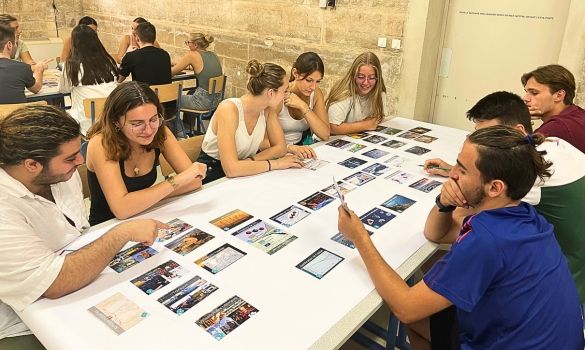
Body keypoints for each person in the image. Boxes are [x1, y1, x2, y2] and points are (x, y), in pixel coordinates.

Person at [338, 125, 584, 349]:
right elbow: (436, 233)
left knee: (415, 317)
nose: (452, 173)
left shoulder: (488, 240)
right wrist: (444, 203)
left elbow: (405, 307)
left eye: (462, 170)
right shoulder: (522, 213)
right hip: (545, 338)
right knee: (430, 317)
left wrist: (359, 237)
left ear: (495, 187)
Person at [0, 105, 164, 349]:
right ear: (32, 164)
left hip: (79, 286)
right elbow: (53, 283)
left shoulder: (58, 175)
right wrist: (122, 232)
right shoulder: (5, 205)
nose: (81, 161)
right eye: (69, 158)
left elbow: (76, 233)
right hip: (22, 322)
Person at [424, 91, 585, 304]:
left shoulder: (524, 177)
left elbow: (444, 229)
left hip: (559, 286)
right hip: (572, 267)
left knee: (435, 266)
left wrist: (457, 189)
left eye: (491, 137)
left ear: (517, 130)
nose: (484, 145)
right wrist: (458, 170)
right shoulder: (550, 145)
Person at [85, 81, 206, 226]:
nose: (149, 130)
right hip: (107, 227)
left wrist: (144, 199)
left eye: (153, 119)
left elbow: (194, 181)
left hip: (146, 215)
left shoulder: (160, 132)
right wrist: (175, 182)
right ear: (115, 121)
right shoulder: (102, 143)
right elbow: (121, 209)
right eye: (137, 124)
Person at [198, 59, 303, 184]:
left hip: (246, 173)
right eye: (285, 91)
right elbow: (231, 169)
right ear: (270, 93)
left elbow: (280, 148)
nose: (287, 95)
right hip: (213, 177)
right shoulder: (229, 109)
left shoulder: (268, 110)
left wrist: (252, 160)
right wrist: (275, 163)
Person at [58, 24, 118, 134]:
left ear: (74, 44)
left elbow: (63, 89)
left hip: (86, 124)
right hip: (112, 120)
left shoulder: (71, 65)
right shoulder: (108, 62)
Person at [274, 52, 330, 159]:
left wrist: (303, 106)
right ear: (295, 73)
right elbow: (263, 141)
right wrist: (290, 148)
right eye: (309, 80)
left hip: (300, 149)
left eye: (318, 81)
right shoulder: (280, 95)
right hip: (277, 151)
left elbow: (325, 134)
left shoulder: (316, 93)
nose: (313, 87)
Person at [522, 64, 585, 153]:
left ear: (559, 95)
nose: (525, 98)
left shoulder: (557, 127)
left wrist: (520, 121)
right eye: (526, 92)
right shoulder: (578, 114)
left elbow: (515, 159)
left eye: (534, 93)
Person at [326, 52, 388, 135]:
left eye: (371, 78)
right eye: (361, 77)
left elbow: (380, 117)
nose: (366, 83)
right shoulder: (343, 92)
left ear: (377, 78)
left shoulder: (379, 91)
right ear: (353, 75)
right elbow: (332, 128)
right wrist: (366, 124)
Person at [171, 32, 223, 111]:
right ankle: (188, 124)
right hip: (216, 100)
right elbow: (202, 68)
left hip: (202, 101)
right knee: (190, 93)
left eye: (188, 42)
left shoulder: (192, 55)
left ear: (195, 45)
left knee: (169, 100)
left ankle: (176, 123)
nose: (187, 45)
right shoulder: (213, 55)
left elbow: (171, 72)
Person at [0, 25, 50, 103]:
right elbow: (36, 89)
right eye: (15, 42)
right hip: (17, 114)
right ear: (9, 45)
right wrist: (39, 70)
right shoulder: (22, 67)